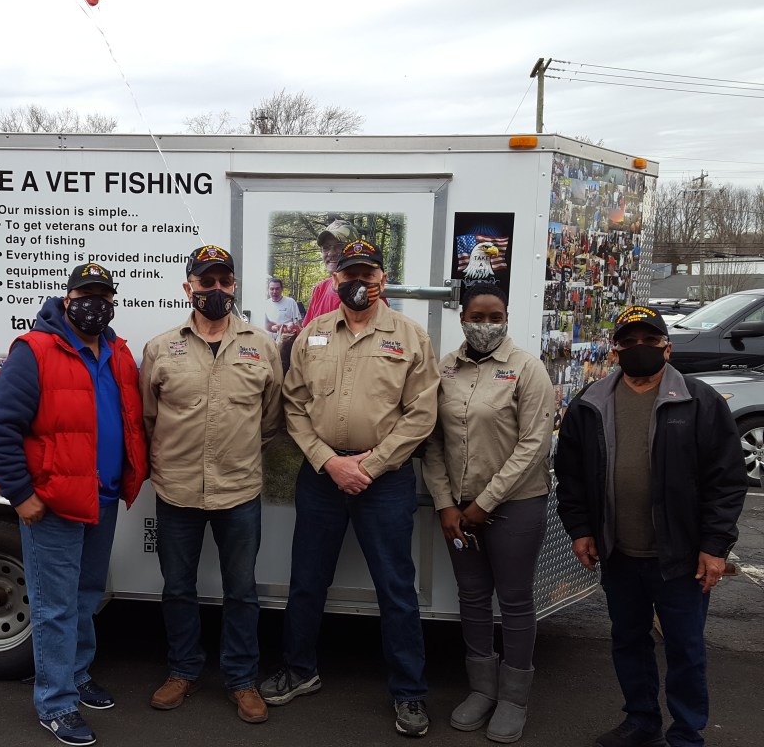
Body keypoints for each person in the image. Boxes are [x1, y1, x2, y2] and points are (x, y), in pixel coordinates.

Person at [260, 238, 440, 738]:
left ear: (382, 279)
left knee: (396, 588)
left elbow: (421, 413)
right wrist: (329, 462)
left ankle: (409, 691)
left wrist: (371, 465)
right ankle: (299, 670)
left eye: (368, 274)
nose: (358, 282)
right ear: (335, 279)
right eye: (349, 274)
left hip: (385, 480)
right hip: (322, 477)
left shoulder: (410, 337)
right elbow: (293, 405)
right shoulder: (313, 334)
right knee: (306, 579)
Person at [555, 305, 747, 747]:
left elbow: (727, 481)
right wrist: (580, 530)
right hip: (618, 553)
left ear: (667, 347)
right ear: (615, 350)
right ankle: (642, 722)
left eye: (649, 340)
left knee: (685, 649)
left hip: (681, 557)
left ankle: (686, 734)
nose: (638, 348)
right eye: (629, 341)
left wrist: (715, 546)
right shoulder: (590, 403)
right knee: (628, 641)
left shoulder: (699, 402)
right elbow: (571, 476)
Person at [0, 262, 149, 747]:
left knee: (87, 594)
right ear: (67, 298)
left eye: (103, 295)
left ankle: (76, 674)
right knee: (53, 606)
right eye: (85, 294)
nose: (94, 304)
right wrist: (21, 494)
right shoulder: (35, 350)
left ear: (112, 302)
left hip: (102, 498)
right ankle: (55, 703)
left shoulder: (118, 353)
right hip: (53, 504)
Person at [140, 244, 283, 725]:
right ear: (189, 288)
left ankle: (242, 679)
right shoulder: (161, 348)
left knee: (241, 591)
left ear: (234, 285)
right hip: (176, 490)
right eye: (206, 282)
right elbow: (149, 416)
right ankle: (183, 670)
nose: (216, 289)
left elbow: (271, 418)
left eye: (224, 281)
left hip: (238, 491)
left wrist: (238, 452)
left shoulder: (262, 346)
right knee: (178, 588)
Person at [420, 283, 554, 743]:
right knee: (473, 597)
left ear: (506, 318)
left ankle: (514, 699)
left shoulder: (527, 369)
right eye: (477, 316)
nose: (485, 325)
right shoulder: (446, 369)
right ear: (462, 319)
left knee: (514, 601)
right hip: (459, 509)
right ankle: (481, 690)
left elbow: (534, 445)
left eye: (495, 317)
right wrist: (445, 503)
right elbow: (432, 442)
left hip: (516, 505)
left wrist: (485, 503)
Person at [302, 219, 355, 324]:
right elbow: (308, 331)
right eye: (326, 247)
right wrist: (293, 331)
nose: (331, 253)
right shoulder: (319, 290)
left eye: (339, 246)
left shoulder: (371, 293)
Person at [264, 277, 302, 342]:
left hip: (286, 340)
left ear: (282, 289)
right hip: (269, 340)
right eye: (272, 289)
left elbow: (298, 323)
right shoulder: (265, 304)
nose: (274, 291)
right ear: (268, 290)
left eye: (277, 289)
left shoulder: (290, 302)